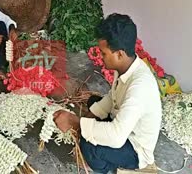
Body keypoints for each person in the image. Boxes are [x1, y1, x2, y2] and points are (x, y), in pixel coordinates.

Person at [53, 14, 162, 174]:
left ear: (119, 54)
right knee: (94, 103)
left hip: (134, 147)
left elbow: (117, 137)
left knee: (90, 147)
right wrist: (88, 118)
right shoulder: (125, 67)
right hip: (122, 122)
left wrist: (75, 122)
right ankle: (93, 129)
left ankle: (107, 167)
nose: (101, 57)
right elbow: (112, 97)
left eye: (104, 53)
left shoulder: (140, 87)